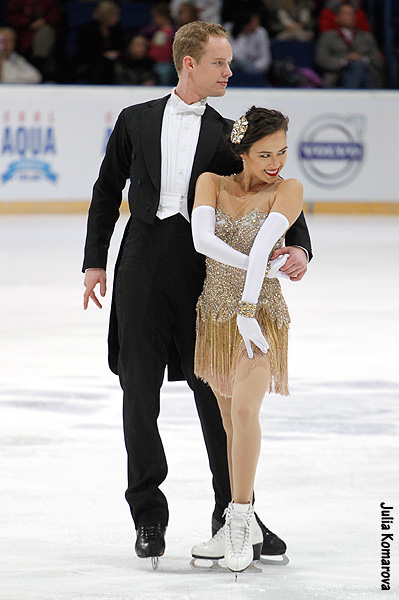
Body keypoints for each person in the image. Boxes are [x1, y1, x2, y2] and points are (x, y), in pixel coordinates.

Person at [82, 20, 312, 563]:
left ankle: (234, 516)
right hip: (139, 265)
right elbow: (104, 191)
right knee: (139, 396)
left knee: (218, 398)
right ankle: (148, 517)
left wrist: (300, 245)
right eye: (219, 63)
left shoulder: (230, 132)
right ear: (189, 64)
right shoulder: (135, 120)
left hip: (201, 274)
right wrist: (95, 261)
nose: (230, 71)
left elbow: (273, 186)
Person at [190, 106, 303, 572]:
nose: (275, 163)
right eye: (264, 155)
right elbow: (201, 241)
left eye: (281, 151)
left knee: (244, 410)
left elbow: (262, 247)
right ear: (242, 151)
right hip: (215, 318)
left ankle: (238, 522)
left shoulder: (289, 190)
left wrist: (248, 306)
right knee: (228, 424)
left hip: (258, 315)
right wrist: (257, 272)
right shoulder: (211, 183)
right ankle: (246, 520)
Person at [315, 1, 384, 89]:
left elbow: (378, 60)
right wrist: (345, 60)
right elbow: (321, 59)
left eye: (351, 14)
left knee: (359, 66)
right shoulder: (328, 37)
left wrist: (362, 59)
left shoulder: (367, 37)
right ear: (337, 17)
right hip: (338, 74)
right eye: (345, 13)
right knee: (357, 67)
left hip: (366, 73)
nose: (349, 17)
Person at [6, 0, 60, 80]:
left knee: (46, 31)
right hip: (23, 34)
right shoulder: (16, 2)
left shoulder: (49, 2)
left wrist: (43, 21)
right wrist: (29, 23)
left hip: (44, 36)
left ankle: (39, 63)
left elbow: (55, 17)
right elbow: (12, 16)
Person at [73, 0, 123, 84]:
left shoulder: (116, 30)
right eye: (115, 15)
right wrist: (103, 55)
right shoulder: (88, 30)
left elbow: (121, 47)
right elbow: (84, 52)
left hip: (113, 62)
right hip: (90, 63)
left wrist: (116, 53)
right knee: (102, 64)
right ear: (106, 15)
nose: (118, 18)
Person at [223, 9, 272, 85]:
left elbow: (265, 59)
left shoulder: (261, 33)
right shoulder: (228, 29)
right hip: (231, 69)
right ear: (245, 23)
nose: (258, 23)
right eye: (254, 21)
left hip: (254, 72)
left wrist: (253, 68)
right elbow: (227, 53)